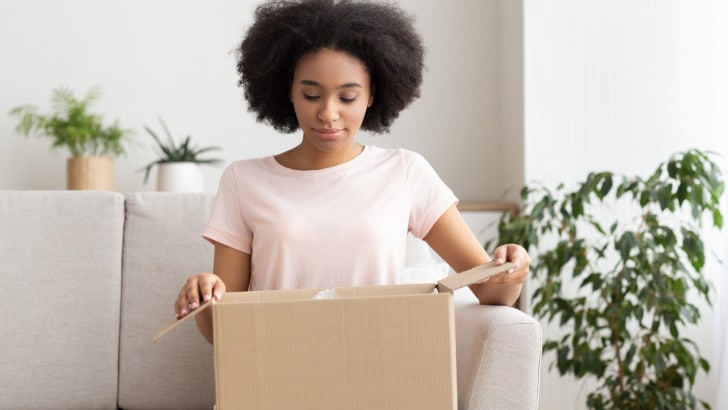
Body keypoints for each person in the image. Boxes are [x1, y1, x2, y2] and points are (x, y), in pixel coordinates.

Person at [174, 0, 530, 344]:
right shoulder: (244, 181)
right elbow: (223, 331)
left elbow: (490, 289)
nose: (328, 113)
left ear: (372, 94)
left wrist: (513, 268)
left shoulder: (405, 172)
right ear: (289, 91)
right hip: (275, 370)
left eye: (347, 97)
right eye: (311, 95)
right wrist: (204, 295)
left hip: (375, 369)